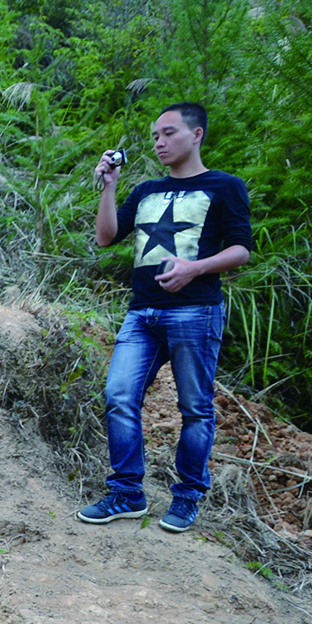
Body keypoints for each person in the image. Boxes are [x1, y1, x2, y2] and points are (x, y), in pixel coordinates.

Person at [79, 102, 253, 533]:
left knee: (194, 408)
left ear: (196, 135)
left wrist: (194, 267)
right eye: (155, 136)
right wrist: (109, 186)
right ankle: (127, 493)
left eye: (169, 133)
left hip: (196, 311)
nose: (159, 142)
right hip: (142, 312)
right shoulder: (145, 191)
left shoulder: (225, 186)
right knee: (119, 394)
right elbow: (105, 238)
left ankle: (188, 497)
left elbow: (241, 250)